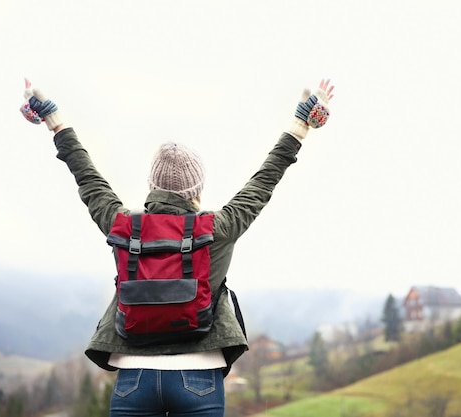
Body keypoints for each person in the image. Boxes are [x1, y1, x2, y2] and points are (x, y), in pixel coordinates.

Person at [20, 78, 335, 417]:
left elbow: (86, 175)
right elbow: (266, 178)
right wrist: (301, 125)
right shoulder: (219, 227)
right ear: (197, 188)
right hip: (199, 375)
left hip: (133, 377)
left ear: (152, 185)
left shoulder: (121, 224)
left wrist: (54, 121)